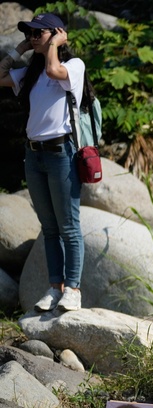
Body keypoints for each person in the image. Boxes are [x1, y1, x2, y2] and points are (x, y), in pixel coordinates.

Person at [0, 13, 94, 313]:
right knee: (49, 228)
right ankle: (55, 288)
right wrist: (20, 50)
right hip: (35, 155)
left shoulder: (72, 66)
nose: (33, 36)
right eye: (30, 33)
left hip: (61, 154)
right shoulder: (30, 73)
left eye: (38, 33)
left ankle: (73, 289)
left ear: (56, 34)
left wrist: (54, 43)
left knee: (69, 226)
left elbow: (55, 70)